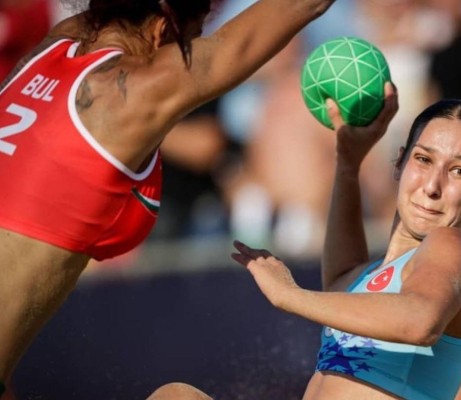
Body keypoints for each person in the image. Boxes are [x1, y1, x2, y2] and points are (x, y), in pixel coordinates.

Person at [0, 0, 335, 396]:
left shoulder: (53, 47)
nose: (192, 49)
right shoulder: (138, 89)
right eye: (191, 39)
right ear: (163, 29)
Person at [231, 87, 461, 399]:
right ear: (399, 162)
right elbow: (340, 280)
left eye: (459, 171)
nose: (432, 186)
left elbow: (419, 321)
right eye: (423, 159)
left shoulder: (452, 243)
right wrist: (348, 162)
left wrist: (289, 295)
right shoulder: (366, 277)